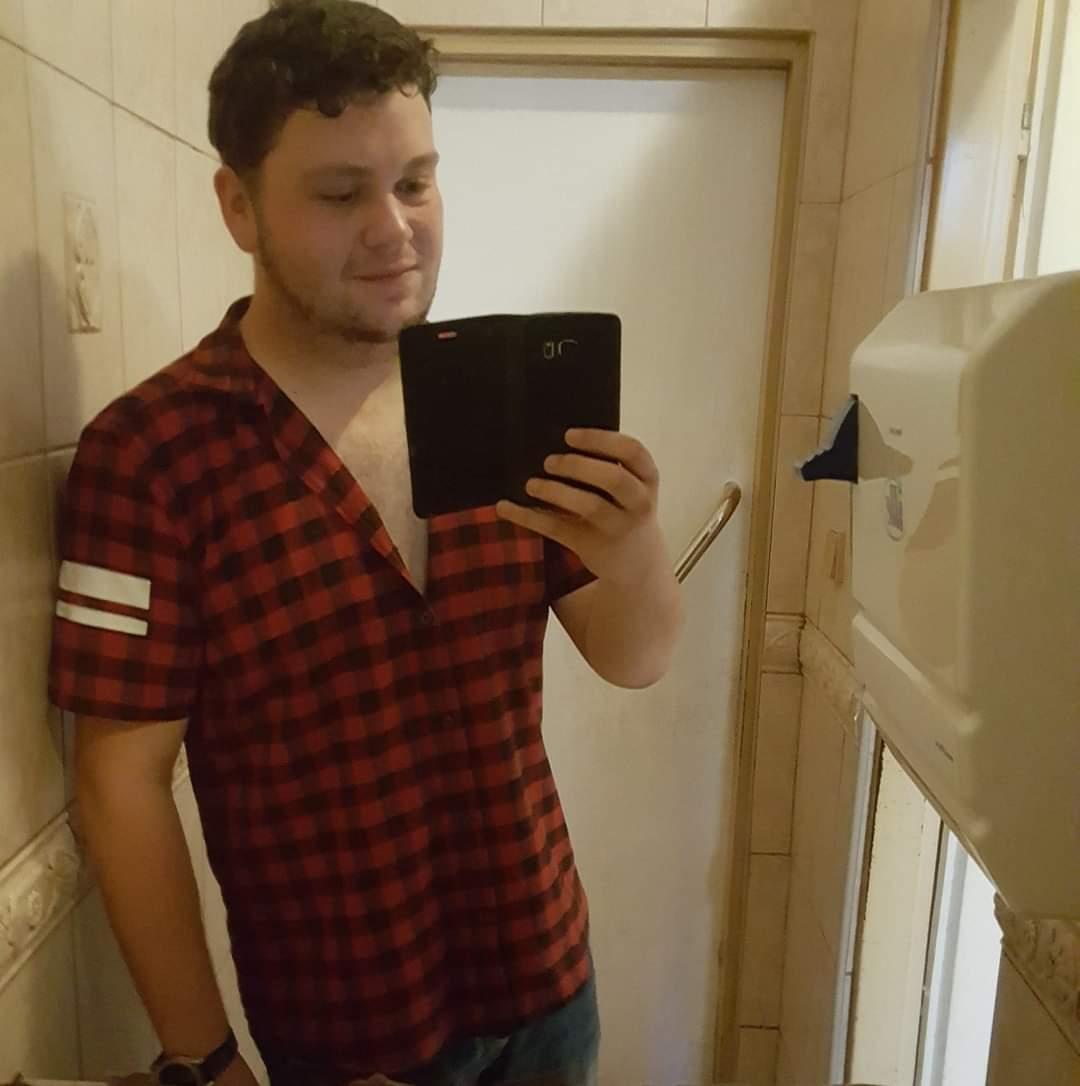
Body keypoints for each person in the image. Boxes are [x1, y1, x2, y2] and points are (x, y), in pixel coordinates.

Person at [48, 2, 683, 1085]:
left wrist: (632, 542)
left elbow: (636, 658)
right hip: (351, 1035)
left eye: (416, 183)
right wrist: (207, 1060)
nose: (395, 230)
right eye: (341, 195)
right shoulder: (151, 456)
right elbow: (121, 782)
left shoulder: (497, 400)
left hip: (547, 979)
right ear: (238, 206)